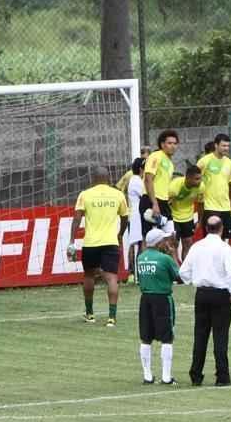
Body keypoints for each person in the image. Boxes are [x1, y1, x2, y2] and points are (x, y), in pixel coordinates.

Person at [178, 214, 231, 386]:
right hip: (220, 294)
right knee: (220, 336)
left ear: (206, 228)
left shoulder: (197, 246)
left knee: (200, 335)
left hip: (202, 293)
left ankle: (196, 374)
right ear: (221, 229)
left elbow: (183, 272)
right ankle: (222, 376)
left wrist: (194, 281)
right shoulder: (224, 248)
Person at [71, 166, 130, 326]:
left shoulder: (85, 195)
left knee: (89, 275)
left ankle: (90, 314)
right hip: (110, 241)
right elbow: (125, 218)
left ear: (93, 179)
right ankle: (112, 317)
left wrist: (71, 242)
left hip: (91, 243)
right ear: (108, 178)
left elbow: (76, 219)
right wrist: (120, 234)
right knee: (112, 278)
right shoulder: (118, 195)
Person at [135, 228, 182, 385]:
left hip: (145, 299)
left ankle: (147, 375)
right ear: (158, 243)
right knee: (167, 338)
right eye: (164, 240)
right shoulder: (164, 259)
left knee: (145, 337)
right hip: (162, 299)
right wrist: (173, 254)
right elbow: (178, 276)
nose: (166, 242)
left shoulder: (140, 258)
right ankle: (166, 377)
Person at [197, 134, 231, 276]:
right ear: (216, 145)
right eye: (223, 145)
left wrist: (230, 202)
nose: (226, 148)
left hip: (225, 208)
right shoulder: (204, 161)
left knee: (223, 240)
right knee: (210, 240)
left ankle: (220, 269)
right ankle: (207, 270)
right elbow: (195, 179)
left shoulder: (230, 163)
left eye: (228, 146)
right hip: (210, 206)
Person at [141, 129, 179, 236]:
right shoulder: (156, 156)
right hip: (151, 201)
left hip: (163, 202)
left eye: (175, 143)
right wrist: (154, 203)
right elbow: (148, 179)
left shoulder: (170, 163)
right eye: (169, 143)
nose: (173, 146)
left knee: (171, 237)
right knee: (149, 239)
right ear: (162, 144)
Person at [166, 165, 204, 260]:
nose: (199, 181)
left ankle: (185, 271)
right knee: (174, 244)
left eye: (200, 178)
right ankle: (175, 271)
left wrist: (199, 221)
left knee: (188, 243)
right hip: (173, 217)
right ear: (188, 178)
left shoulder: (201, 187)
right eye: (196, 179)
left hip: (188, 218)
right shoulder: (174, 187)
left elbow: (201, 204)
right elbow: (165, 204)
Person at [123, 157, 146, 277]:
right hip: (137, 215)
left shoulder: (135, 180)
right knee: (140, 243)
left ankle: (134, 272)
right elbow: (144, 197)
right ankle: (135, 272)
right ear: (142, 169)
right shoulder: (137, 181)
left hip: (135, 215)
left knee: (137, 243)